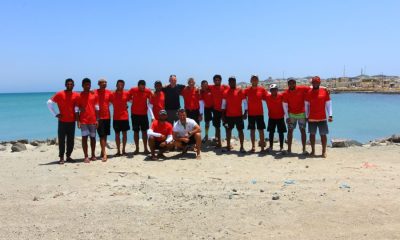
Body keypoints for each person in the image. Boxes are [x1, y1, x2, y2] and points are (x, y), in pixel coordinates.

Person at [47, 78, 79, 164]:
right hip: (62, 121)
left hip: (72, 121)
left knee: (71, 140)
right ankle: (61, 157)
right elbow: (49, 102)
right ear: (65, 85)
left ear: (73, 85)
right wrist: (55, 114)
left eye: (71, 84)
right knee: (61, 140)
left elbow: (78, 105)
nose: (69, 85)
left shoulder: (76, 95)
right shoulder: (60, 94)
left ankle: (68, 156)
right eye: (68, 84)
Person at [305, 76, 333, 158]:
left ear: (319, 83)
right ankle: (313, 151)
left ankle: (324, 152)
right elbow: (306, 105)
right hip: (311, 118)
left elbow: (328, 104)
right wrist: (306, 116)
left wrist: (330, 115)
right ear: (312, 83)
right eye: (314, 82)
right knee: (312, 135)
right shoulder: (308, 92)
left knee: (323, 135)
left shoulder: (324, 92)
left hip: (322, 118)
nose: (315, 83)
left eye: (317, 82)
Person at [282, 78, 311, 154]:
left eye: (293, 83)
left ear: (295, 83)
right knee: (290, 131)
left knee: (303, 131)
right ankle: (289, 149)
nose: (291, 85)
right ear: (288, 84)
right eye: (290, 83)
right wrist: (287, 117)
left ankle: (304, 149)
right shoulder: (286, 93)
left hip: (302, 113)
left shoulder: (301, 88)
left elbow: (312, 87)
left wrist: (325, 89)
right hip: (291, 114)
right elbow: (285, 105)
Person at [75, 78, 99, 163]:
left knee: (93, 138)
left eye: (89, 84)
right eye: (85, 84)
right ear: (82, 85)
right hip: (83, 121)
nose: (87, 86)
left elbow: (97, 108)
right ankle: (86, 156)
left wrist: (97, 119)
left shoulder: (94, 95)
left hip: (93, 120)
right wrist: (78, 121)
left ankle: (93, 155)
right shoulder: (79, 96)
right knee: (84, 138)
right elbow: (76, 109)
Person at [221, 76, 248, 153]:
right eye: (230, 81)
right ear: (229, 82)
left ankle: (242, 147)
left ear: (235, 82)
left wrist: (245, 113)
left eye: (233, 81)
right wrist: (223, 115)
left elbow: (245, 102)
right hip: (228, 116)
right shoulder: (225, 92)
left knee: (240, 131)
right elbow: (223, 104)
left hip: (239, 116)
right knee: (228, 131)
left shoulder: (240, 91)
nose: (232, 82)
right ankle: (228, 146)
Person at [129, 80, 153, 154]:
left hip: (144, 114)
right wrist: (131, 101)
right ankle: (137, 148)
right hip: (134, 114)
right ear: (138, 85)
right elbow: (127, 96)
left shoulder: (147, 91)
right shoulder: (133, 89)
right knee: (136, 132)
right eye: (141, 86)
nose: (143, 88)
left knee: (144, 132)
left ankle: (145, 148)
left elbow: (152, 98)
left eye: (144, 86)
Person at [244, 75, 267, 153]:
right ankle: (253, 147)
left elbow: (268, 98)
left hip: (260, 113)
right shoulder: (247, 90)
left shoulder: (262, 89)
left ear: (258, 80)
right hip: (251, 114)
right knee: (252, 131)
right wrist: (245, 111)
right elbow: (241, 98)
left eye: (256, 79)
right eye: (253, 79)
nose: (254, 80)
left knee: (261, 130)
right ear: (250, 80)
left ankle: (262, 148)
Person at [110, 79, 131, 156]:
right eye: (119, 84)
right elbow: (108, 102)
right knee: (117, 135)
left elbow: (132, 100)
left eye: (122, 85)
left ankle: (124, 150)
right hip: (116, 118)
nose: (120, 86)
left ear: (124, 86)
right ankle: (118, 151)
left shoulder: (126, 93)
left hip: (125, 117)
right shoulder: (112, 94)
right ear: (116, 85)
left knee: (124, 134)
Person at [265, 84, 287, 153]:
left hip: (280, 117)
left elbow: (287, 102)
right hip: (271, 117)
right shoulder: (267, 97)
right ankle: (271, 147)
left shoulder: (281, 96)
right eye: (271, 90)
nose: (273, 91)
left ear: (277, 90)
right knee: (271, 132)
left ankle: (281, 147)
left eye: (274, 89)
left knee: (281, 133)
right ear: (270, 91)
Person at [208, 74, 229, 148]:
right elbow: (203, 87)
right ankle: (218, 143)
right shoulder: (211, 87)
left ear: (220, 80)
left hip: (224, 111)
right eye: (215, 80)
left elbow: (233, 90)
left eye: (218, 80)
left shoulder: (225, 87)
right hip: (216, 111)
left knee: (227, 127)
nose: (217, 81)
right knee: (217, 128)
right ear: (213, 81)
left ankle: (228, 143)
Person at [95, 79, 112, 162]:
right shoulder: (94, 92)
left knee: (105, 135)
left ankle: (102, 151)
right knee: (101, 135)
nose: (104, 84)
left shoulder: (109, 92)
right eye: (103, 82)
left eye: (106, 82)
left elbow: (113, 101)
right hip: (98, 117)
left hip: (107, 116)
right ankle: (105, 154)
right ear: (99, 84)